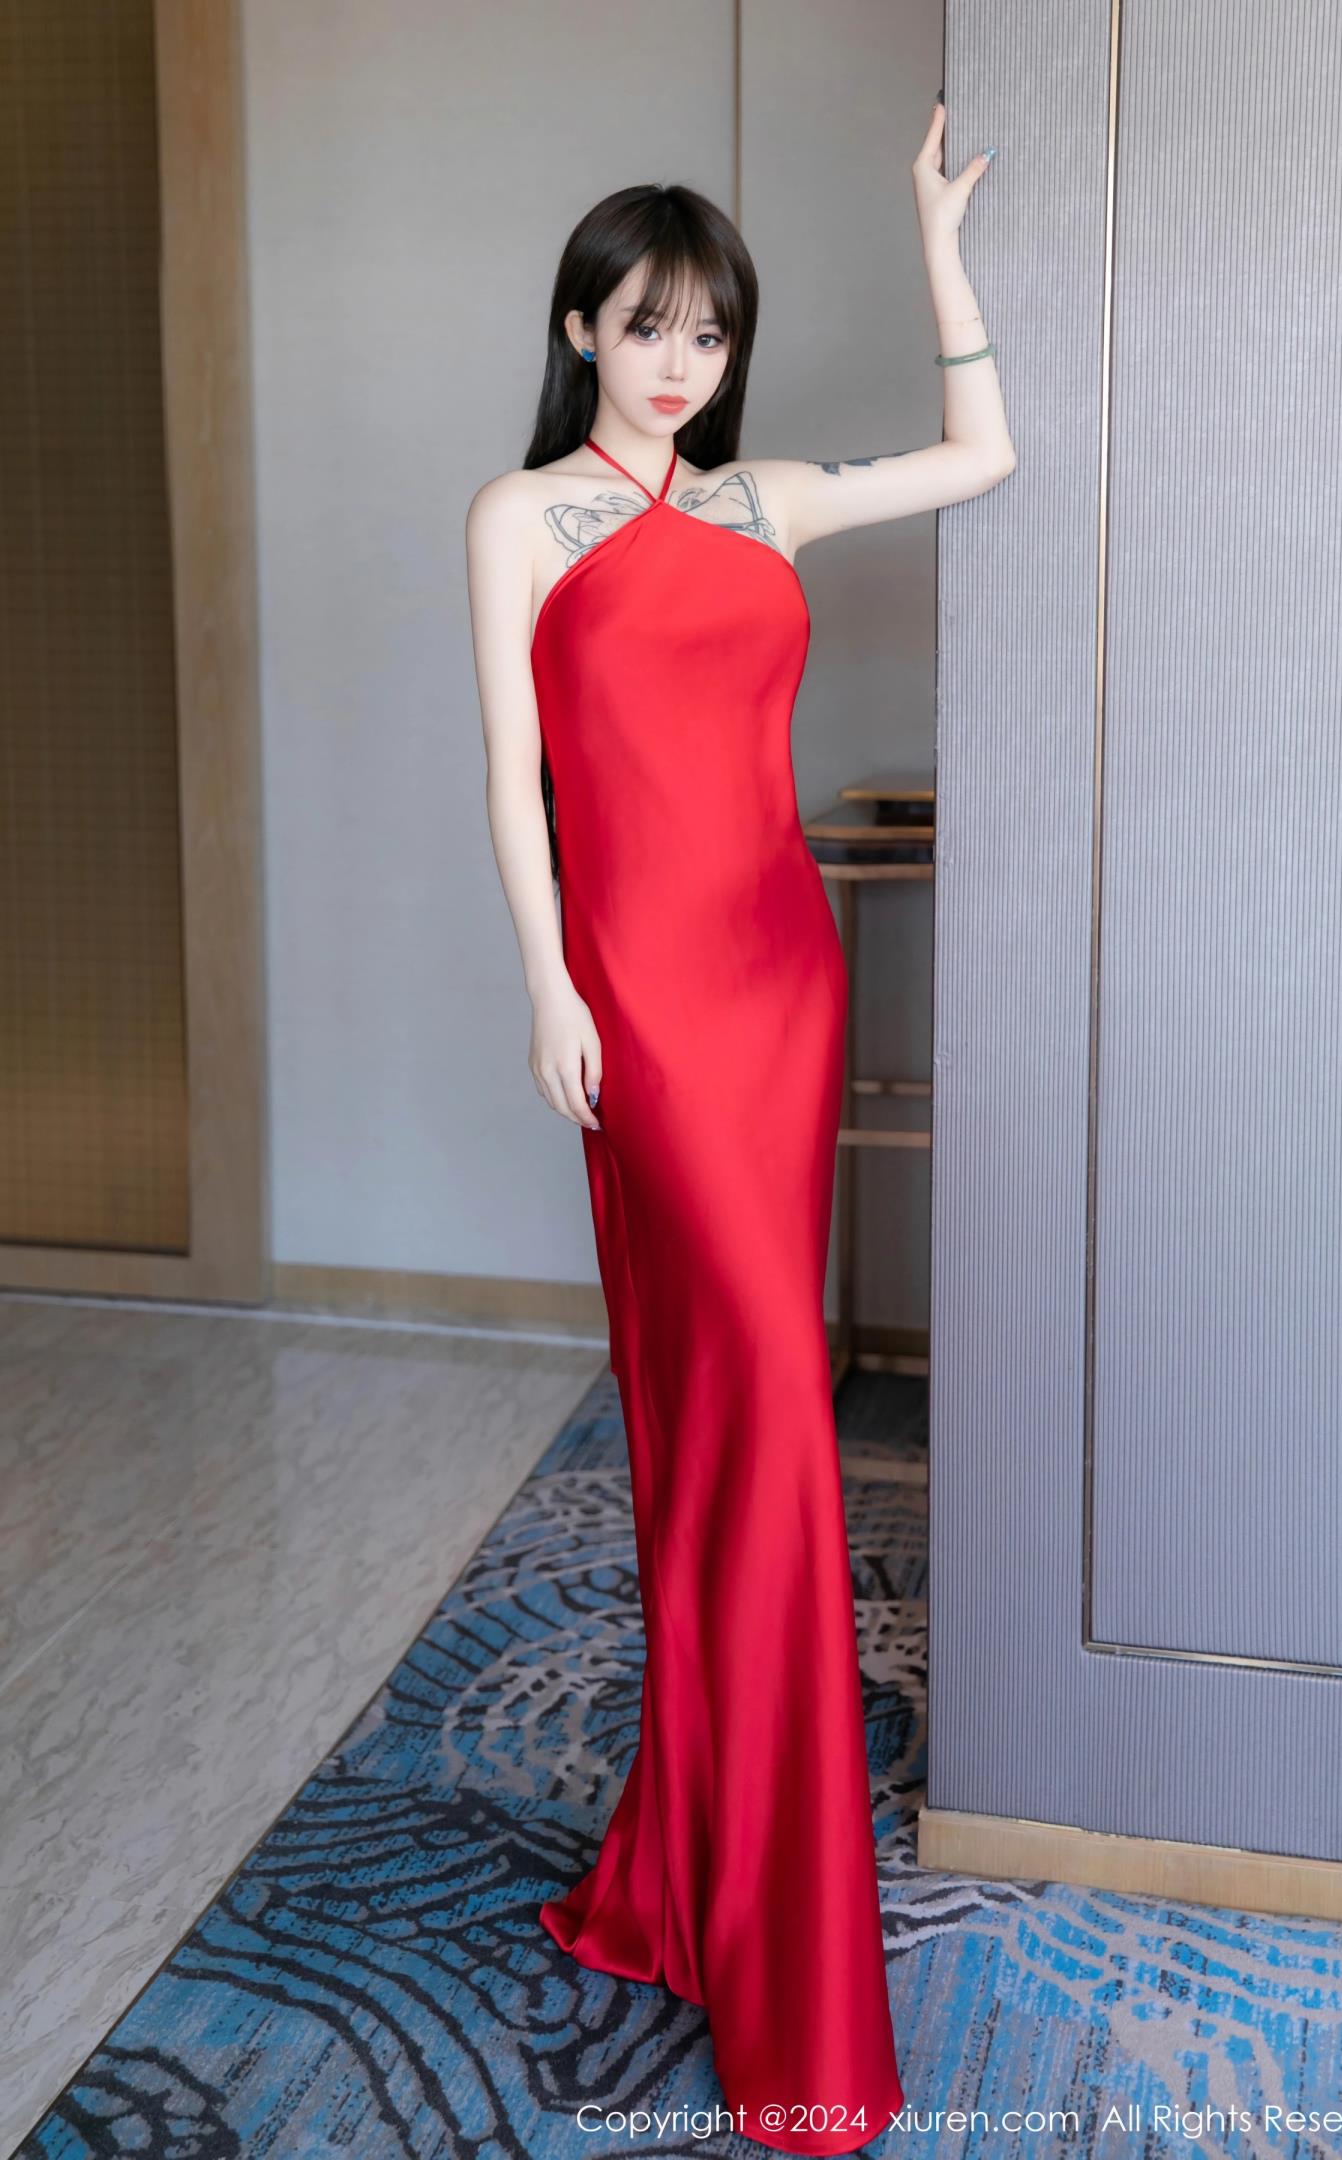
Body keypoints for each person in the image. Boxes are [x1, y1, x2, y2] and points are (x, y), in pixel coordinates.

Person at [466, 96, 1015, 2159]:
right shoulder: (523, 520)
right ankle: (787, 1962)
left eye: (708, 331)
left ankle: (692, 1870)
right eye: (646, 327)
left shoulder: (762, 499)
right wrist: (552, 989)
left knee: (737, 1421)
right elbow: (515, 780)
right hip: (645, 1006)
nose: (679, 361)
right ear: (582, 331)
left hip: (785, 979)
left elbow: (982, 457)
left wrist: (937, 252)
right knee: (767, 1412)